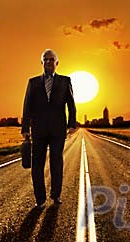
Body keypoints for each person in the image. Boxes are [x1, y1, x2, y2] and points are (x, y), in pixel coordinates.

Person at [21, 49, 76, 209]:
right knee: (37, 165)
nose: (48, 62)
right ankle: (40, 198)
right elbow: (27, 106)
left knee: (56, 163)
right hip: (38, 130)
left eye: (51, 59)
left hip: (58, 130)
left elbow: (71, 104)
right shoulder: (33, 82)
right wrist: (25, 127)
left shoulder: (65, 81)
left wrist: (71, 124)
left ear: (57, 63)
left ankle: (56, 195)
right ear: (42, 62)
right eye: (45, 60)